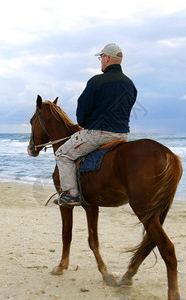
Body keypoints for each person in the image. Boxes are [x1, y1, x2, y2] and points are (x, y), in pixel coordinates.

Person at [55, 43, 137, 207]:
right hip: (122, 134)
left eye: (101, 58)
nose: (101, 61)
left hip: (98, 134)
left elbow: (83, 109)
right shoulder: (130, 84)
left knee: (62, 154)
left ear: (107, 58)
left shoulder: (96, 81)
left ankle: (71, 194)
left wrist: (85, 124)